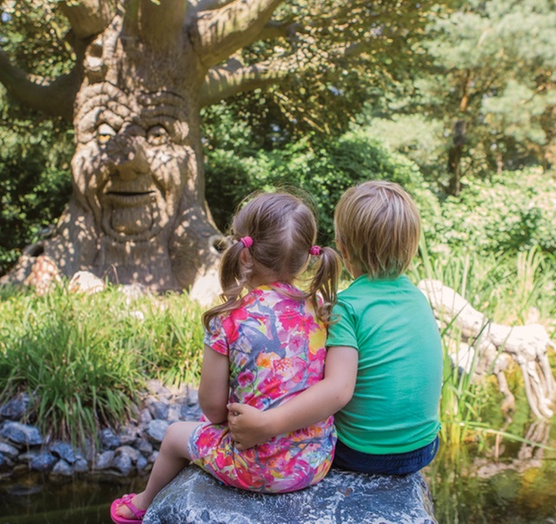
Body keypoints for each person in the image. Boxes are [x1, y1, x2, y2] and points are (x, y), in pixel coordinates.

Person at [111, 192, 341, 523]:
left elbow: (214, 409)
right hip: (316, 462)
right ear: (307, 257)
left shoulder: (228, 317)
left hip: (256, 467)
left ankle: (143, 504)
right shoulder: (321, 307)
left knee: (175, 434)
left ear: (243, 253)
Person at [228, 180, 443, 475]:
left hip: (364, 453)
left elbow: (338, 390)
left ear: (342, 247)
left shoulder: (348, 306)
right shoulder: (418, 298)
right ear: (412, 246)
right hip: (424, 447)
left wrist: (268, 424)